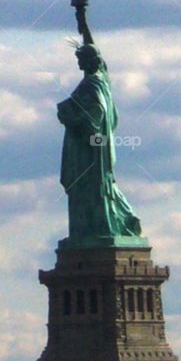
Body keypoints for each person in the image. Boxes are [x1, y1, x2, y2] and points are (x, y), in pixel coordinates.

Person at [57, 41, 142, 246]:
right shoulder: (100, 79)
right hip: (91, 143)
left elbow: (95, 114)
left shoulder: (93, 83)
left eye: (80, 60)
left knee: (94, 185)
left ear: (89, 61)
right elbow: (90, 42)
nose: (78, 65)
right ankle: (94, 228)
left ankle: (106, 225)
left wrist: (71, 119)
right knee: (93, 186)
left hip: (92, 145)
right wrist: (81, 17)